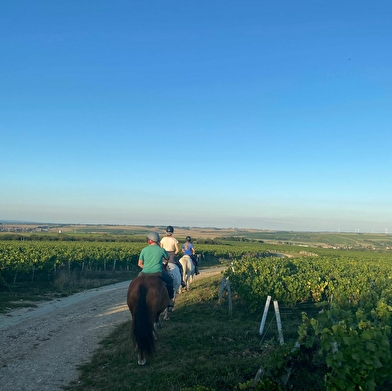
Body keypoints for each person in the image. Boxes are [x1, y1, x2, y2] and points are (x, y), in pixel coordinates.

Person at [138, 231, 174, 301]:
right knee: (170, 281)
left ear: (150, 240)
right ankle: (170, 298)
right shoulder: (161, 250)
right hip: (158, 272)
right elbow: (167, 258)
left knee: (137, 283)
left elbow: (139, 264)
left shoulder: (144, 250)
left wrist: (147, 267)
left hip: (144, 272)